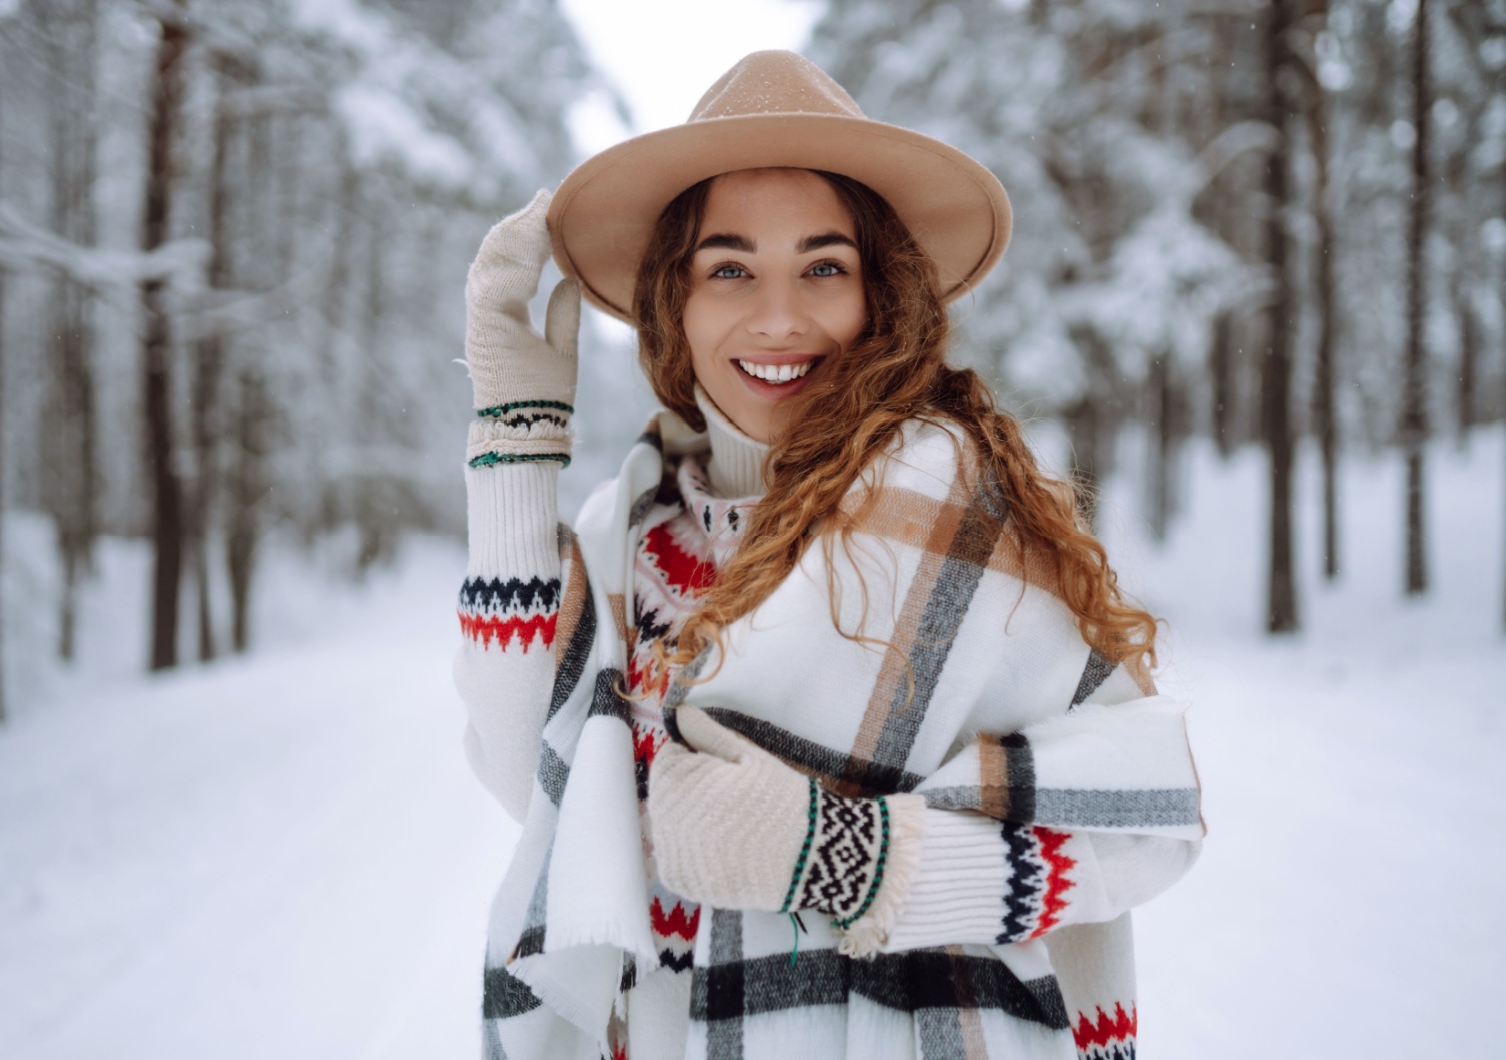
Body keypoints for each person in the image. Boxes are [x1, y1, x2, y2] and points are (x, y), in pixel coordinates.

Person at [455, 51, 1202, 1060]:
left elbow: (1149, 813)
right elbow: (529, 783)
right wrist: (514, 446)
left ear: (878, 294)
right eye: (729, 268)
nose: (778, 317)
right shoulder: (624, 533)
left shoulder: (954, 516)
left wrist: (851, 860)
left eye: (822, 266)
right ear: (674, 302)